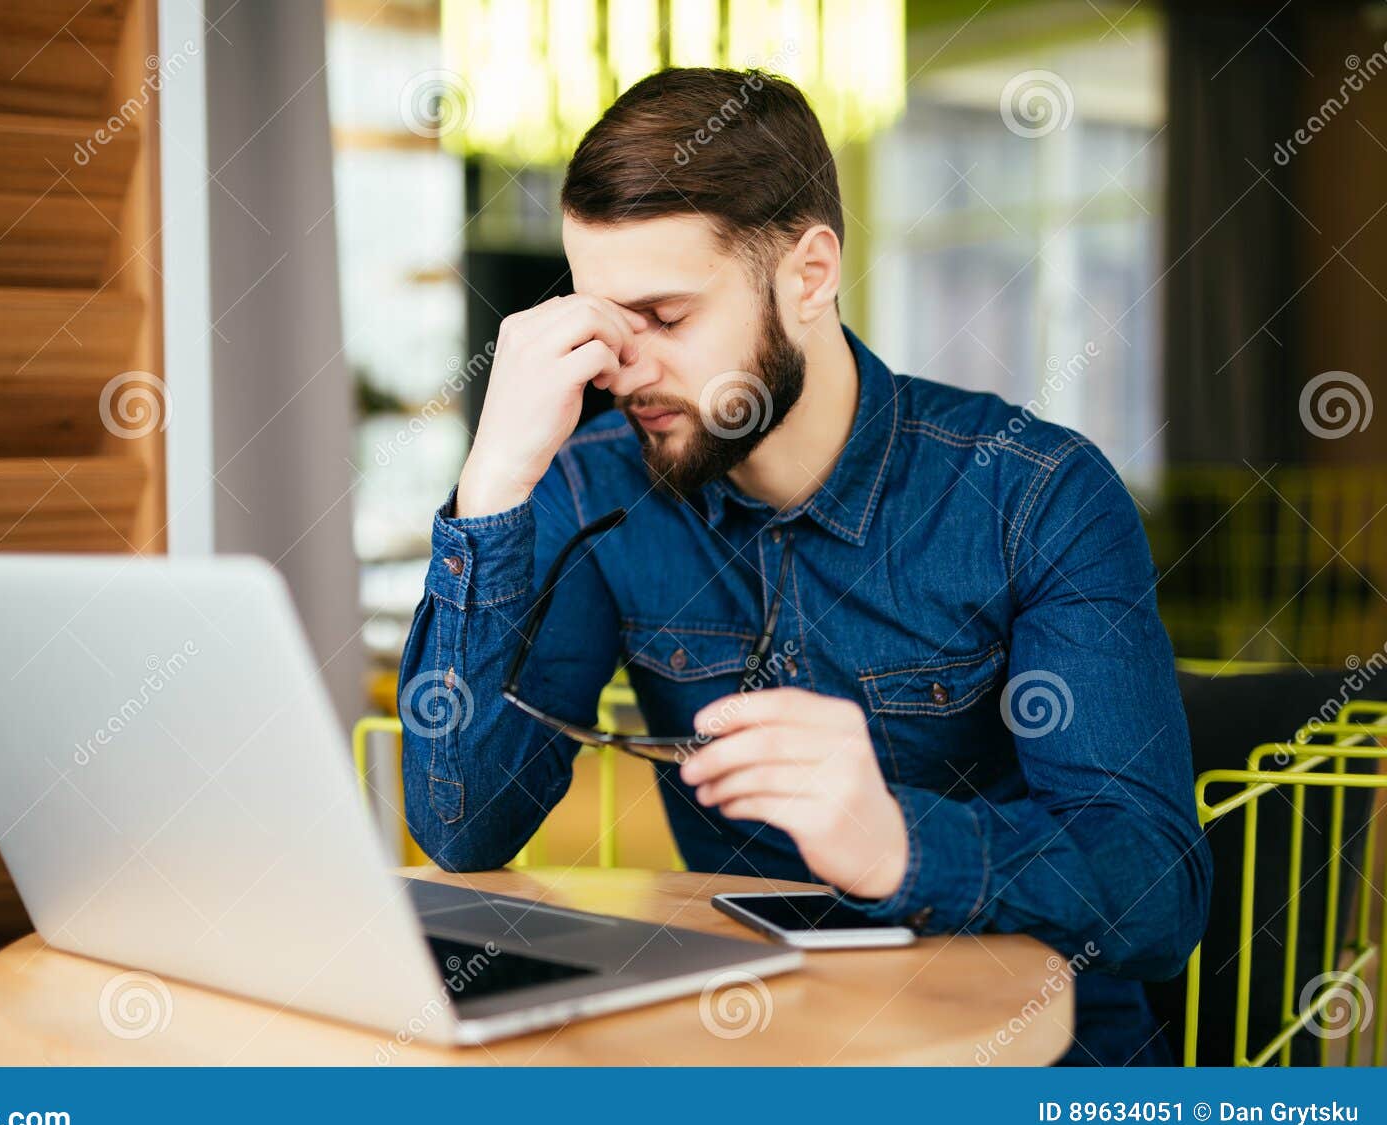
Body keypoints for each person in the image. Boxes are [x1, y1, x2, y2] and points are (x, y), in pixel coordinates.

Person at [397, 67, 1210, 1066]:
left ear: (810, 275)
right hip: (752, 1043)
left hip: (1017, 1057)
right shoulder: (588, 490)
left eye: (665, 315)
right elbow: (464, 826)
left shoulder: (1032, 494)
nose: (623, 367)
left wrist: (897, 842)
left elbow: (1155, 891)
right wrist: (492, 482)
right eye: (601, 321)